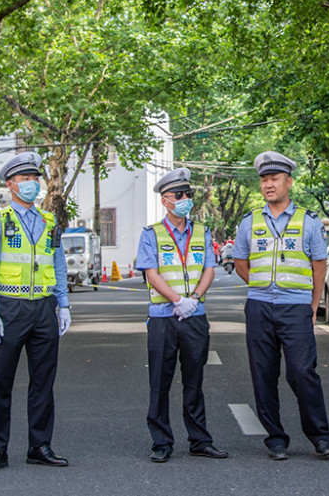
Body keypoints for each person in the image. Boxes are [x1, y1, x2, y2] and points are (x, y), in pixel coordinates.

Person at [232, 151, 329, 461]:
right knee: (263, 374)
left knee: (303, 372)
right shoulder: (249, 222)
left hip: (296, 308)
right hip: (260, 307)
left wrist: (313, 304)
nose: (268, 185)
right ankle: (275, 438)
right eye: (264, 180)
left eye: (274, 179)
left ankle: (320, 436)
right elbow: (240, 262)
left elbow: (319, 265)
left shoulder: (309, 221)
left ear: (288, 182)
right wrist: (263, 286)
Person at [0, 152, 71, 472]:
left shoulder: (48, 220)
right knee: (0, 381)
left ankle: (40, 445)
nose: (32, 184)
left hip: (44, 307)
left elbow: (57, 263)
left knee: (43, 380)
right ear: (11, 185)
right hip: (10, 308)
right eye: (25, 179)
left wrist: (64, 304)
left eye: (35, 178)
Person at [135, 167, 227, 463]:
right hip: (163, 317)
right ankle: (161, 442)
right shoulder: (152, 234)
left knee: (194, 381)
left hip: (194, 316)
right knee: (160, 382)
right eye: (179, 194)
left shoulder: (202, 231)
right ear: (165, 200)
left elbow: (209, 269)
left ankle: (199, 440)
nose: (185, 198)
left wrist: (195, 299)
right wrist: (177, 299)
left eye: (188, 194)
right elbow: (151, 273)